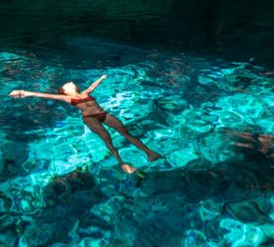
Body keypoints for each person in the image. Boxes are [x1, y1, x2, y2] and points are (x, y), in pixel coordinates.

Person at [9, 74, 162, 173]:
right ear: (65, 91)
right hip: (90, 119)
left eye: (71, 82)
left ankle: (150, 153)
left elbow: (92, 87)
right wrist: (23, 92)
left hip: (104, 114)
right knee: (107, 139)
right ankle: (122, 163)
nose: (70, 81)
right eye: (67, 84)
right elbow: (42, 94)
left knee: (126, 133)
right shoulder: (67, 98)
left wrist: (101, 78)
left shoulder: (84, 93)